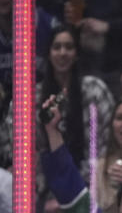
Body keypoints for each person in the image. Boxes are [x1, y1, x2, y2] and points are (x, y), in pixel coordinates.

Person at [38, 25, 115, 173]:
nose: (63, 53)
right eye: (56, 47)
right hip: (48, 183)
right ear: (48, 54)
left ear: (77, 54)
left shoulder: (95, 90)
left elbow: (108, 143)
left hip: (92, 179)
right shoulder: (33, 97)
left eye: (69, 47)